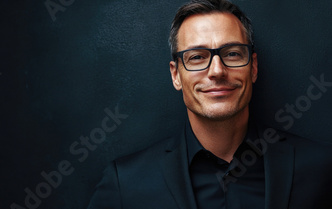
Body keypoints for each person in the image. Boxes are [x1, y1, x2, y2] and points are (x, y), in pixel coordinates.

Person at [87, 0, 332, 208]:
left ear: (253, 67)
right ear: (176, 75)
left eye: (233, 53)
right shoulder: (125, 183)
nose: (217, 71)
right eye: (196, 57)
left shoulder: (320, 169)